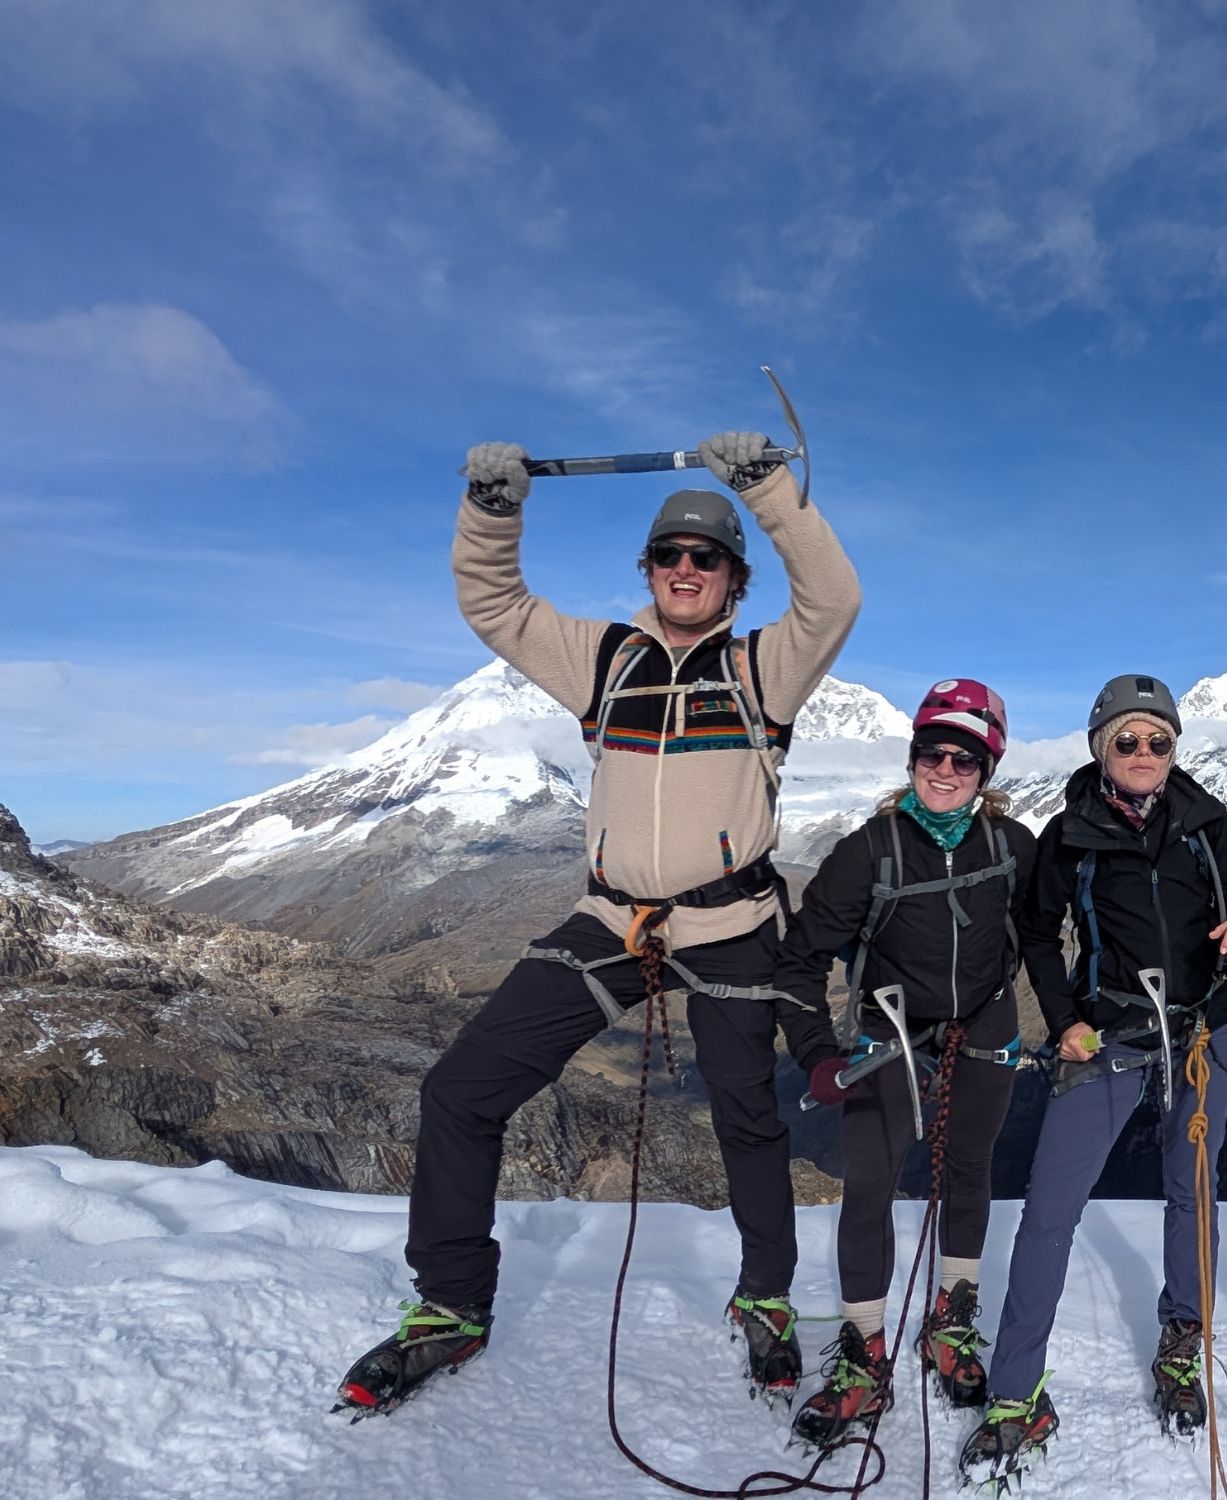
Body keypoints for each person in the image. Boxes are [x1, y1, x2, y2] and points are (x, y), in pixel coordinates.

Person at [335, 430, 861, 1417]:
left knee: (749, 1120)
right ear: (649, 569)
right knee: (462, 1089)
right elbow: (495, 605)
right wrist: (493, 508)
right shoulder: (604, 661)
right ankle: (450, 1304)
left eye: (705, 558)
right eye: (669, 555)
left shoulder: (763, 670)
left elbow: (833, 598)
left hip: (732, 922)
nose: (684, 570)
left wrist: (764, 487)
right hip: (611, 919)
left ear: (733, 578)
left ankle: (765, 1299)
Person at [960, 673, 1227, 1485]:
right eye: (1127, 740)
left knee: (1191, 1196)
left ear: (1175, 748)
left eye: (1158, 740)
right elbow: (1037, 934)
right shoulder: (1069, 834)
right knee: (1048, 1210)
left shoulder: (1207, 822)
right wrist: (1064, 1018)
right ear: (1100, 747)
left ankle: (1182, 1342)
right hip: (1109, 1036)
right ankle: (1015, 1387)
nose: (1143, 752)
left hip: (1204, 1031)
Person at [770, 679, 1033, 1448]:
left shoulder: (1012, 847)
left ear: (987, 771)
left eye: (963, 758)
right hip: (890, 1029)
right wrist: (817, 1052)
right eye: (931, 754)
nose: (944, 770)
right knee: (870, 1185)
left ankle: (951, 1321)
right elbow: (800, 962)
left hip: (985, 1019)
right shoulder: (868, 852)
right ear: (913, 758)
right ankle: (864, 1350)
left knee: (970, 1170)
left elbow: (1044, 934)